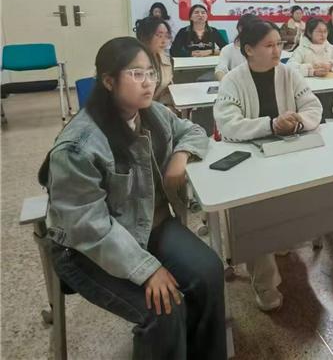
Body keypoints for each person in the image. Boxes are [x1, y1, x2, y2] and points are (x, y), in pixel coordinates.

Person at [40, 37, 225, 360]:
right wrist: (147, 269)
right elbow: (88, 226)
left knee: (209, 271)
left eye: (151, 73)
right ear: (109, 81)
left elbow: (193, 131)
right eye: (137, 74)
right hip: (86, 249)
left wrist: (180, 156)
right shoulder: (79, 145)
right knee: (164, 309)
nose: (148, 82)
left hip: (148, 226)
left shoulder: (153, 113)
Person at [213, 20, 322, 312]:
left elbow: (313, 106)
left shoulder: (288, 73)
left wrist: (298, 121)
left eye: (280, 44)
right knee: (255, 219)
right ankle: (265, 284)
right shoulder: (233, 80)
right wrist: (271, 125)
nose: (277, 51)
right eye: (269, 45)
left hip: (285, 152)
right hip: (249, 159)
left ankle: (282, 240)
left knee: (291, 205)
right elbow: (228, 125)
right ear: (249, 50)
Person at [135, 16, 174, 106]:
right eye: (159, 36)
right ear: (144, 37)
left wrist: (166, 107)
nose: (164, 41)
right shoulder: (133, 61)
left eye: (167, 36)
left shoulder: (167, 59)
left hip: (159, 106)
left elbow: (167, 90)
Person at [215, 14, 261, 81]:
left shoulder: (262, 47)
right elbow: (220, 70)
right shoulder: (228, 49)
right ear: (240, 28)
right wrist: (225, 83)